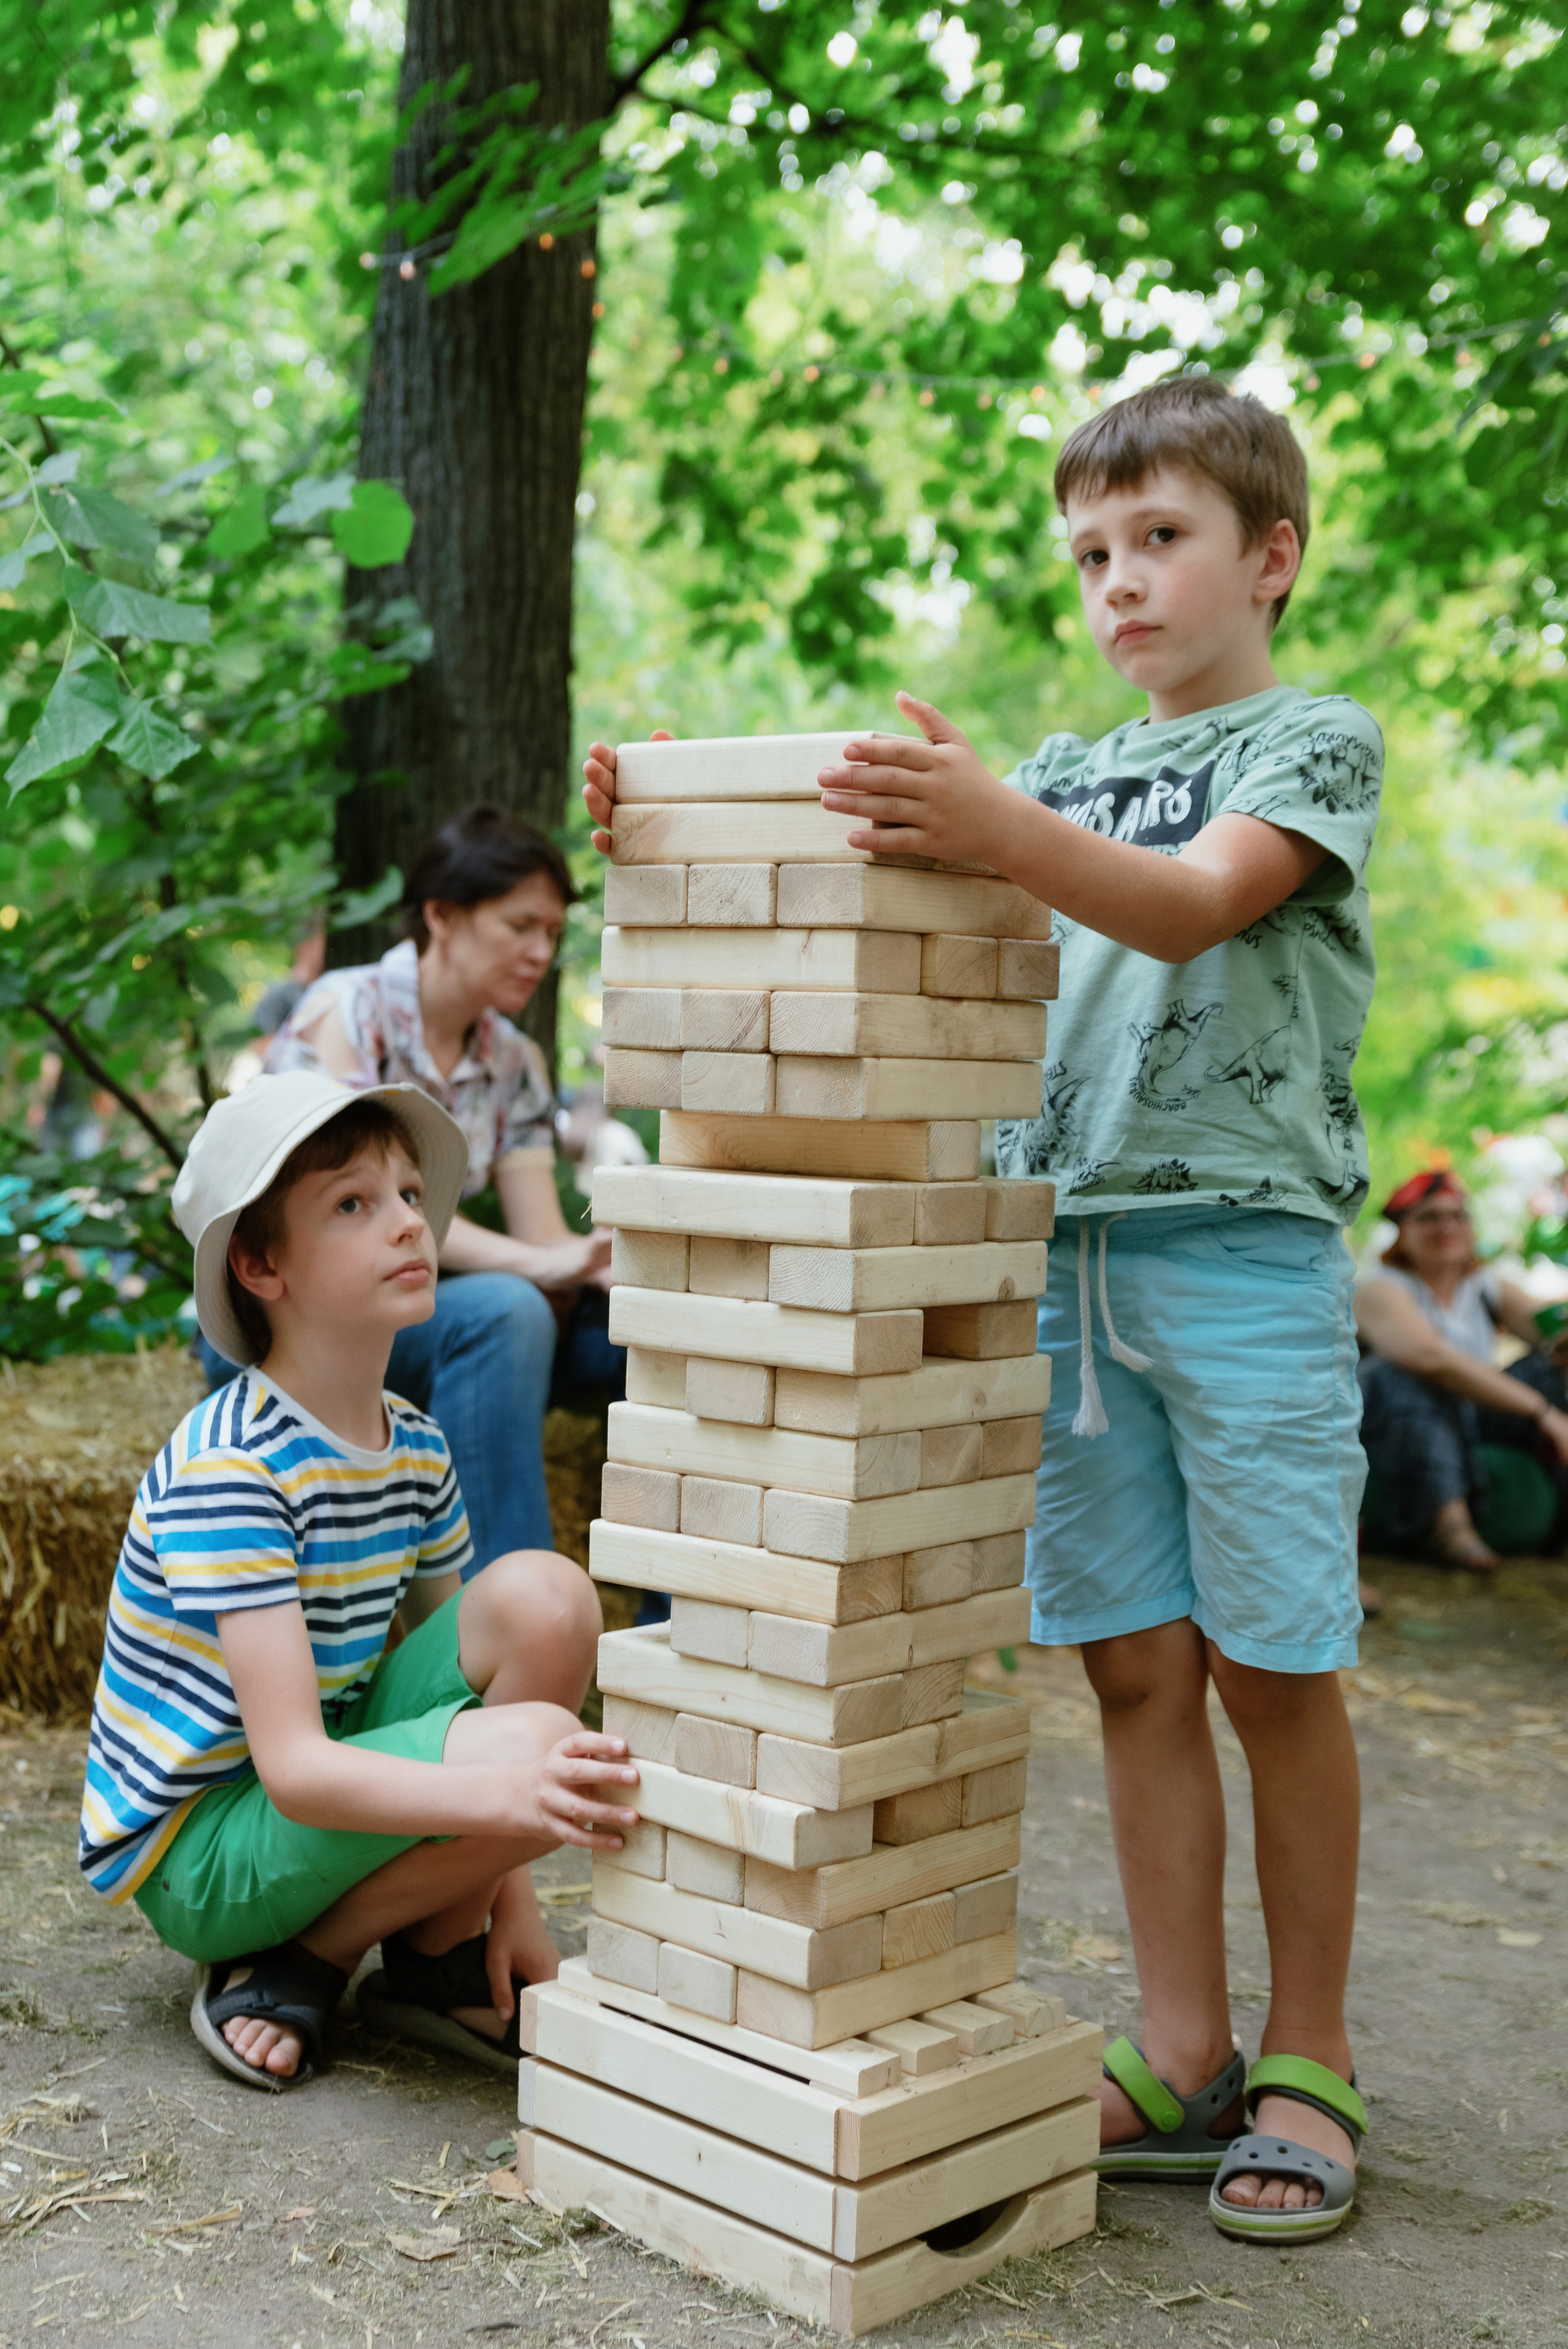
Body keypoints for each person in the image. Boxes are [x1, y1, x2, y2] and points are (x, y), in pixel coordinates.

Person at [584, 376, 1377, 2244]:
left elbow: (1188, 909)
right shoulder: (1058, 775)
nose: (1119, 582)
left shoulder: (1307, 744)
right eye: (1092, 551)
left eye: (1160, 539)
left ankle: (1312, 2055)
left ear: (1267, 556)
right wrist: (677, 809)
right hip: (1053, 1256)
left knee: (1274, 1669)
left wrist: (990, 820)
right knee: (1125, 1667)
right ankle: (1180, 2052)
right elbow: (884, 893)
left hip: (1240, 1253)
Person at [80, 1072, 639, 2088]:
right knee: (549, 1749)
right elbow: (292, 1765)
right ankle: (309, 1953)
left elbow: (482, 1670)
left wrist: (507, 1902)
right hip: (208, 1847)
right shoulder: (233, 1465)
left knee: (548, 1598)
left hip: (322, 1790)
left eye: (412, 1196)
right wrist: (514, 1792)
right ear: (260, 1262)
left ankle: (437, 1954)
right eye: (353, 1203)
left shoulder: (413, 1444)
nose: (407, 1226)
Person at [222, 804, 619, 1572]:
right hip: (294, 1325)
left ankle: (676, 1634)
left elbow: (540, 1233)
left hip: (416, 1312)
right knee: (509, 1308)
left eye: (553, 933)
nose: (542, 951)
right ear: (440, 914)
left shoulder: (517, 1063)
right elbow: (349, 1215)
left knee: (653, 1335)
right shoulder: (345, 1012)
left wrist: (598, 1264)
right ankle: (505, 1650)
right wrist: (540, 1270)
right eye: (520, 926)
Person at [1354, 1168, 1568, 1568]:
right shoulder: (1380, 1288)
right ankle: (1450, 1527)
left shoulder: (1487, 1287)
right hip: (1393, 1422)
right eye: (1429, 1218)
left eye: (1457, 1216)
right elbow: (1429, 1358)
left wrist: (1561, 1338)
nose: (1446, 1227)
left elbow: (1550, 1329)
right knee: (1404, 1372)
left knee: (1549, 1368)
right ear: (1401, 1231)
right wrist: (1545, 1414)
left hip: (1467, 1418)